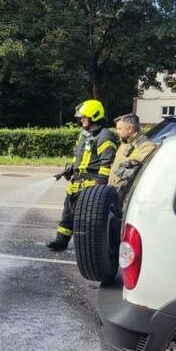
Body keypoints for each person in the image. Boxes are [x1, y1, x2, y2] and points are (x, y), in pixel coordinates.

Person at [47, 99, 118, 251]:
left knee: (86, 219)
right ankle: (61, 242)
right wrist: (70, 169)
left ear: (95, 116)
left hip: (91, 184)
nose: (81, 119)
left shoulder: (105, 136)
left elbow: (107, 163)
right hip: (76, 183)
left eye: (84, 117)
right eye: (81, 117)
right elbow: (79, 157)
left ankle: (87, 249)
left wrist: (100, 182)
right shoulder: (84, 135)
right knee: (68, 214)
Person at [108, 113, 156, 196]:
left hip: (128, 196)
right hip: (114, 191)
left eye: (119, 128)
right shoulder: (124, 143)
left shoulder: (146, 145)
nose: (117, 131)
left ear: (130, 129)